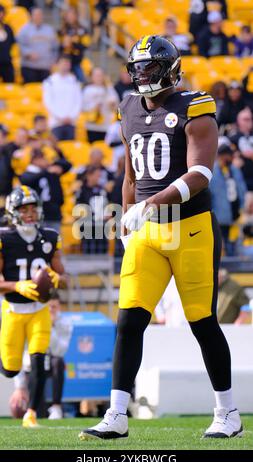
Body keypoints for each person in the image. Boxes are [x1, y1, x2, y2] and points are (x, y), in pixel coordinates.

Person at [79, 35, 243, 440]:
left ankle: (228, 413)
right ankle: (117, 413)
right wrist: (122, 216)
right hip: (147, 232)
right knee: (129, 319)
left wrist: (150, 206)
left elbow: (201, 174)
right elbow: (131, 175)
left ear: (169, 69)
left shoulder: (196, 105)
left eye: (149, 68)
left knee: (202, 322)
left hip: (191, 228)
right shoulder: (128, 107)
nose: (141, 75)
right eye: (137, 68)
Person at [0, 186, 67, 427]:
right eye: (23, 209)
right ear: (13, 212)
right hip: (13, 311)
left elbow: (63, 275)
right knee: (10, 368)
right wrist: (17, 286)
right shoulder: (4, 238)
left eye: (32, 209)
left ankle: (31, 414)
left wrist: (57, 278)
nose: (29, 214)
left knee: (40, 360)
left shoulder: (49, 236)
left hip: (39, 310)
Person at [9, 292, 73, 420]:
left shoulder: (65, 323)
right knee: (39, 411)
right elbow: (23, 351)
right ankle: (35, 409)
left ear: (59, 307)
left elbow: (59, 351)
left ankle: (56, 407)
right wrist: (19, 386)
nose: (50, 310)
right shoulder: (33, 320)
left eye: (54, 307)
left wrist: (50, 328)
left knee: (58, 362)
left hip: (52, 363)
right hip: (33, 365)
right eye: (48, 306)